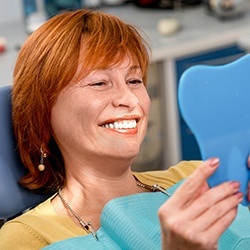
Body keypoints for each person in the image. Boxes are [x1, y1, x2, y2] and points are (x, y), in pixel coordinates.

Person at [0, 9, 245, 250]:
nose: (129, 99)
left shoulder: (197, 177)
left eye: (134, 80)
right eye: (99, 83)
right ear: (43, 113)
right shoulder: (24, 239)